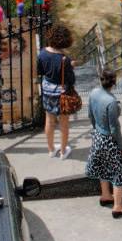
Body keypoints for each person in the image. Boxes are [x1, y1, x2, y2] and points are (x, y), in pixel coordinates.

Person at [86, 69, 122, 218]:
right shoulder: (111, 102)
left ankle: (106, 195)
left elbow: (90, 115)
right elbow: (114, 128)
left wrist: (96, 130)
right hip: (110, 140)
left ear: (101, 79)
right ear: (114, 82)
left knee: (103, 166)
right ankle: (118, 206)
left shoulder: (93, 93)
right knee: (119, 172)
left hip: (98, 135)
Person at [37, 24, 75, 160]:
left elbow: (40, 71)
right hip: (62, 94)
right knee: (64, 123)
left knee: (49, 120)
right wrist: (70, 67)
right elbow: (71, 80)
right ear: (65, 41)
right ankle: (63, 151)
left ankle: (51, 149)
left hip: (47, 90)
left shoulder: (42, 53)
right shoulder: (65, 59)